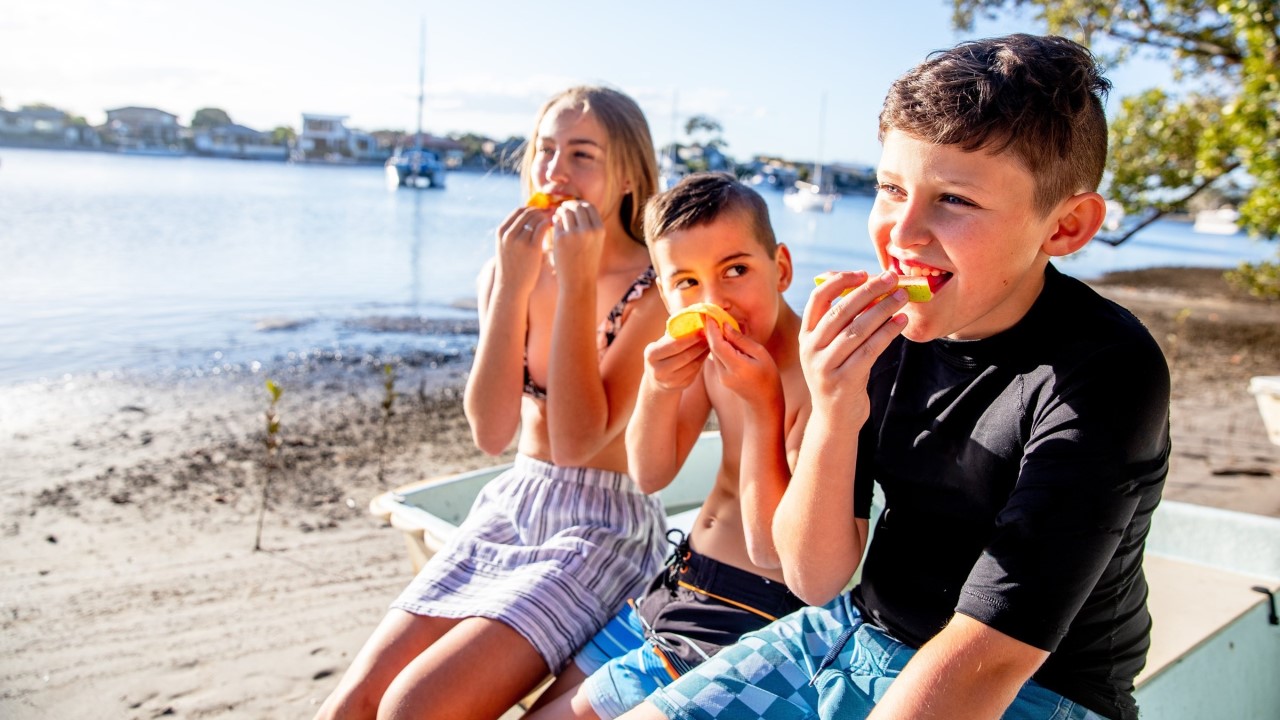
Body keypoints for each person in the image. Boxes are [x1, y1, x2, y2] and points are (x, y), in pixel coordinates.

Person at [619, 33, 1171, 720]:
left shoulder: (1104, 370)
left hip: (1032, 684)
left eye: (955, 201)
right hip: (855, 632)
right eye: (890, 190)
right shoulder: (889, 333)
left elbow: (988, 656)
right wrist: (835, 406)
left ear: (1064, 227)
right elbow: (814, 577)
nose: (901, 234)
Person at [314, 86, 670, 720]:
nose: (555, 172)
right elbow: (491, 428)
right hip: (513, 501)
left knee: (413, 707)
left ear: (628, 178)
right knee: (353, 703)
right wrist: (512, 281)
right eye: (544, 150)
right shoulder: (509, 268)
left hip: (603, 524)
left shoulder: (655, 290)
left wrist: (578, 278)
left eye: (582, 155)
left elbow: (575, 441)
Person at [525, 173, 812, 720]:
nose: (713, 300)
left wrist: (759, 403)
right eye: (686, 282)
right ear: (664, 291)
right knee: (542, 706)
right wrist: (659, 388)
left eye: (735, 270)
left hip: (746, 614)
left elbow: (775, 546)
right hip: (674, 581)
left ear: (780, 268)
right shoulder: (705, 359)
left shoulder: (812, 374)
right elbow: (651, 473)